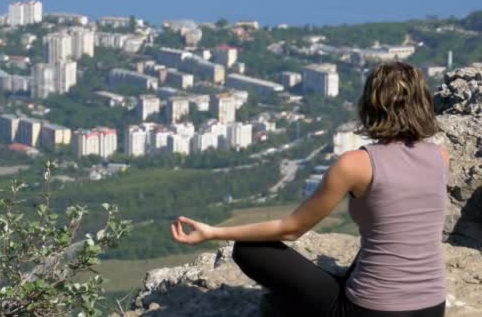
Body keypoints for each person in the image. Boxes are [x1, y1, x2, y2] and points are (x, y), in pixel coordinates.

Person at [170, 62, 449, 317]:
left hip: (369, 310)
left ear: (371, 104)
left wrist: (215, 233)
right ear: (422, 104)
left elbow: (292, 229)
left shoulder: (356, 164)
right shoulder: (440, 156)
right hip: (433, 307)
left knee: (248, 249)